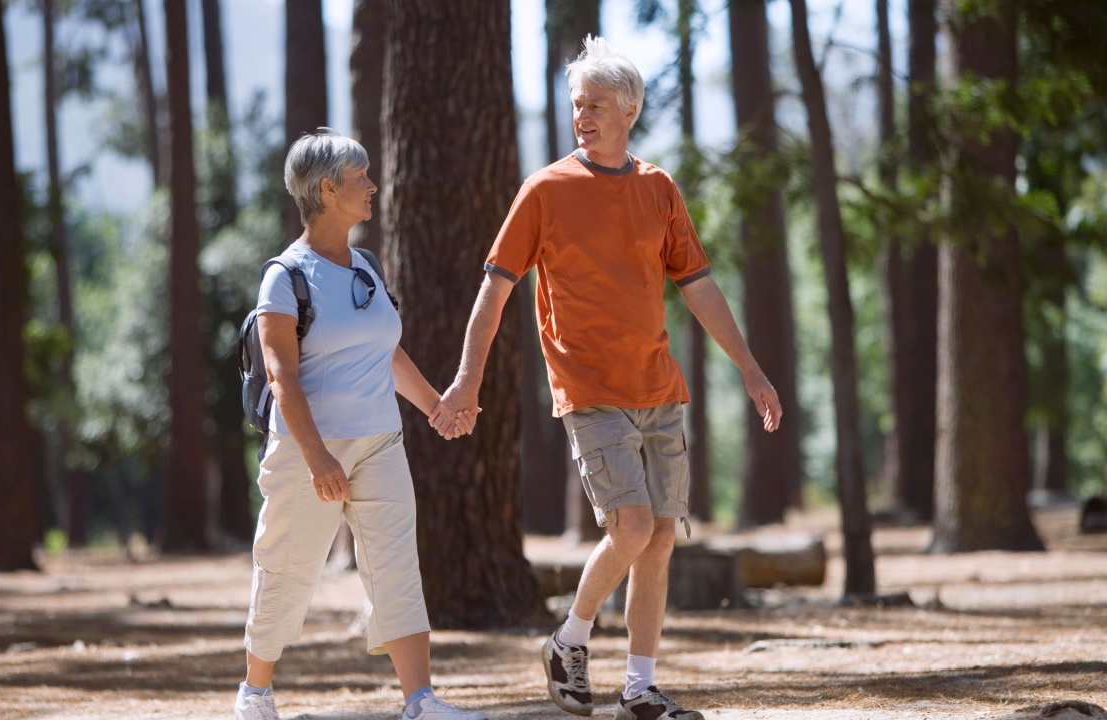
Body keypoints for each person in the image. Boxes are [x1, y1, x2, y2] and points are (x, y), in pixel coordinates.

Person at [441, 37, 781, 720]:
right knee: (628, 528)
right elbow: (494, 290)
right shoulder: (544, 190)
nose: (581, 116)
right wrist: (466, 379)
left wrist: (750, 368)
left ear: (629, 109)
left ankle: (639, 688)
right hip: (590, 392)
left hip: (660, 392)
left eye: (595, 105)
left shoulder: (658, 189)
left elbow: (701, 286)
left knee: (658, 539)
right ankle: (568, 640)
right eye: (575, 105)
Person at [234, 129, 485, 720]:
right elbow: (281, 380)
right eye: (360, 177)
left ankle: (420, 701)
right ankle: (256, 691)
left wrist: (436, 408)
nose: (372, 185)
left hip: (381, 442)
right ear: (326, 189)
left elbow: (386, 352)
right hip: (308, 451)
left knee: (397, 566)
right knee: (287, 568)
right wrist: (319, 457)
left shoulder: (366, 267)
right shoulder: (285, 276)